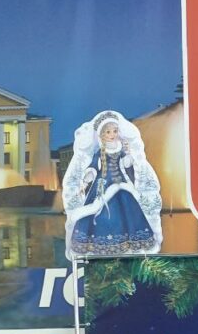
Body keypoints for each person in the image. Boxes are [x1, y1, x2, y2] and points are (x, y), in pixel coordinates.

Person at [62, 109, 162, 259]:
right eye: (108, 132)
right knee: (103, 214)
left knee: (129, 213)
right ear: (102, 134)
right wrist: (86, 179)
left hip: (121, 185)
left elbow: (127, 165)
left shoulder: (120, 149)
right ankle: (101, 245)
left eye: (115, 131)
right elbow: (93, 167)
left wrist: (128, 154)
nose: (112, 134)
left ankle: (130, 244)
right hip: (103, 185)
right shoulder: (100, 152)